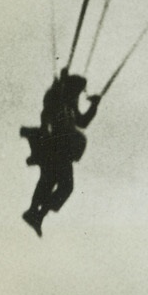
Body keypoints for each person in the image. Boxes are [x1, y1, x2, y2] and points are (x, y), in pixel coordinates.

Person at [20, 69, 101, 236]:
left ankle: (36, 213)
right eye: (78, 91)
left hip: (62, 150)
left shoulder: (70, 105)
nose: (79, 96)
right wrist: (59, 86)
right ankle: (36, 213)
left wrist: (94, 105)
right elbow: (46, 112)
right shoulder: (58, 99)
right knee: (59, 184)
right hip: (56, 147)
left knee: (53, 183)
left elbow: (82, 122)